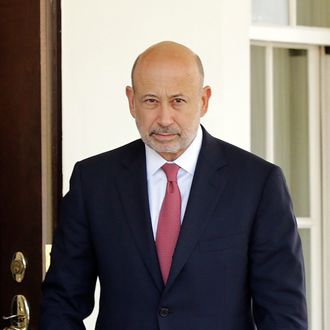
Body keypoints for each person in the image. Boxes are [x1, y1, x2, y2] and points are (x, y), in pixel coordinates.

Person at [41, 41, 308, 329]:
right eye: (151, 101)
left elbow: (283, 313)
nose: (164, 118)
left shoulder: (258, 184)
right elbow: (61, 301)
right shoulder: (93, 181)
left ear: (204, 101)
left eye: (178, 101)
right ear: (132, 101)